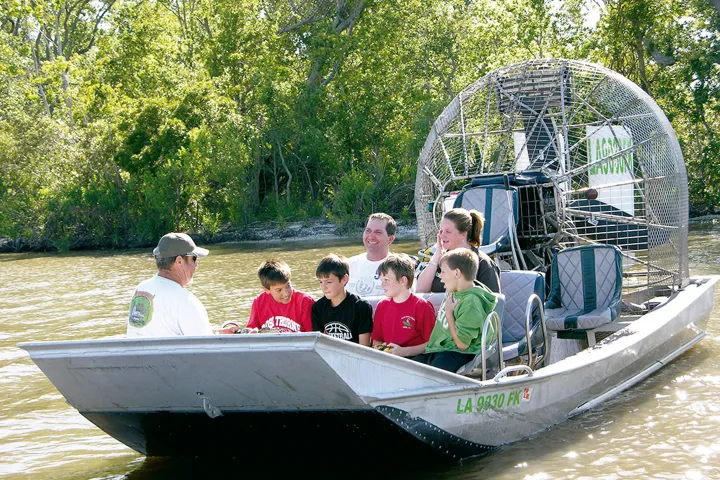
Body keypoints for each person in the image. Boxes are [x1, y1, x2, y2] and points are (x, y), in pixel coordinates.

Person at [127, 232, 237, 337]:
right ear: (179, 261)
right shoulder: (186, 300)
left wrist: (218, 332)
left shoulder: (141, 289)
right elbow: (206, 347)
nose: (196, 265)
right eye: (194, 259)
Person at [418, 248, 498, 372]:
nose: (440, 277)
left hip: (458, 352)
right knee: (410, 367)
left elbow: (462, 345)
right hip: (441, 348)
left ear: (456, 273)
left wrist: (449, 314)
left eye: (443, 272)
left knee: (430, 375)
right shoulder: (453, 291)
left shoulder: (471, 302)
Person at [415, 208, 501, 294]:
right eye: (441, 230)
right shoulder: (439, 259)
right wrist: (436, 257)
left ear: (463, 234)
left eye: (448, 232)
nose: (442, 235)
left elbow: (494, 302)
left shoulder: (483, 263)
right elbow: (420, 291)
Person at [371, 254, 436, 357]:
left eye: (386, 280)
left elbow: (432, 344)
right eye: (382, 280)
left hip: (416, 359)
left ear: (403, 280)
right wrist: (381, 349)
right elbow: (377, 340)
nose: (382, 285)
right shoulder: (382, 306)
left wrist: (404, 352)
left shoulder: (422, 306)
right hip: (389, 358)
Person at [313, 254, 373, 346]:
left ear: (344, 279)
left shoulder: (361, 307)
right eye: (320, 282)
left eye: (329, 282)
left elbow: (364, 348)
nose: (323, 287)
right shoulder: (318, 307)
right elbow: (317, 344)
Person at [246, 259, 315, 333]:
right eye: (279, 290)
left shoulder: (304, 301)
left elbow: (313, 334)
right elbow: (252, 330)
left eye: (288, 285)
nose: (286, 293)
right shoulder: (259, 302)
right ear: (266, 290)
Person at [346, 213, 396, 297]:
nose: (371, 237)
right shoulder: (348, 264)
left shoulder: (399, 266)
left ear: (390, 239)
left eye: (378, 232)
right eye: (368, 231)